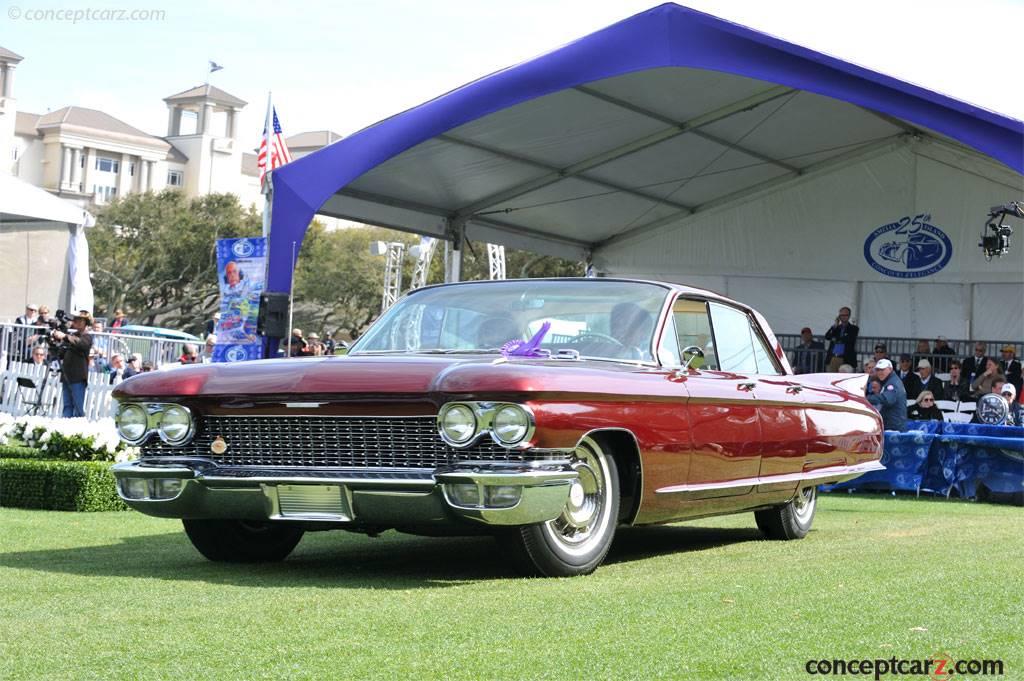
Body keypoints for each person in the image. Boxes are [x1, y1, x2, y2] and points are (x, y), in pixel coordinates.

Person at [50, 311, 93, 418]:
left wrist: (64, 336)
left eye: (80, 320)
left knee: (78, 408)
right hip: (67, 376)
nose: (76, 321)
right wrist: (54, 342)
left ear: (85, 323)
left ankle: (77, 431)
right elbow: (61, 354)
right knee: (67, 406)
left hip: (78, 378)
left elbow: (81, 344)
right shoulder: (72, 336)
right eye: (76, 319)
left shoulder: (87, 337)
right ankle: (65, 429)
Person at [866, 358, 907, 432]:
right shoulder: (889, 380)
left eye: (882, 370)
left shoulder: (892, 383)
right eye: (878, 370)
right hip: (893, 424)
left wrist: (866, 399)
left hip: (894, 426)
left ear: (890, 369)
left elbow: (888, 400)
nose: (880, 372)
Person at [824, 306, 859, 372]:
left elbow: (849, 339)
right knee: (831, 378)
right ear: (839, 316)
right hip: (833, 357)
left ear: (849, 316)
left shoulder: (854, 328)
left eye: (846, 315)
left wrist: (835, 338)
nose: (843, 317)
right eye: (842, 315)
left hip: (846, 358)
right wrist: (834, 325)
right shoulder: (836, 327)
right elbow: (827, 336)